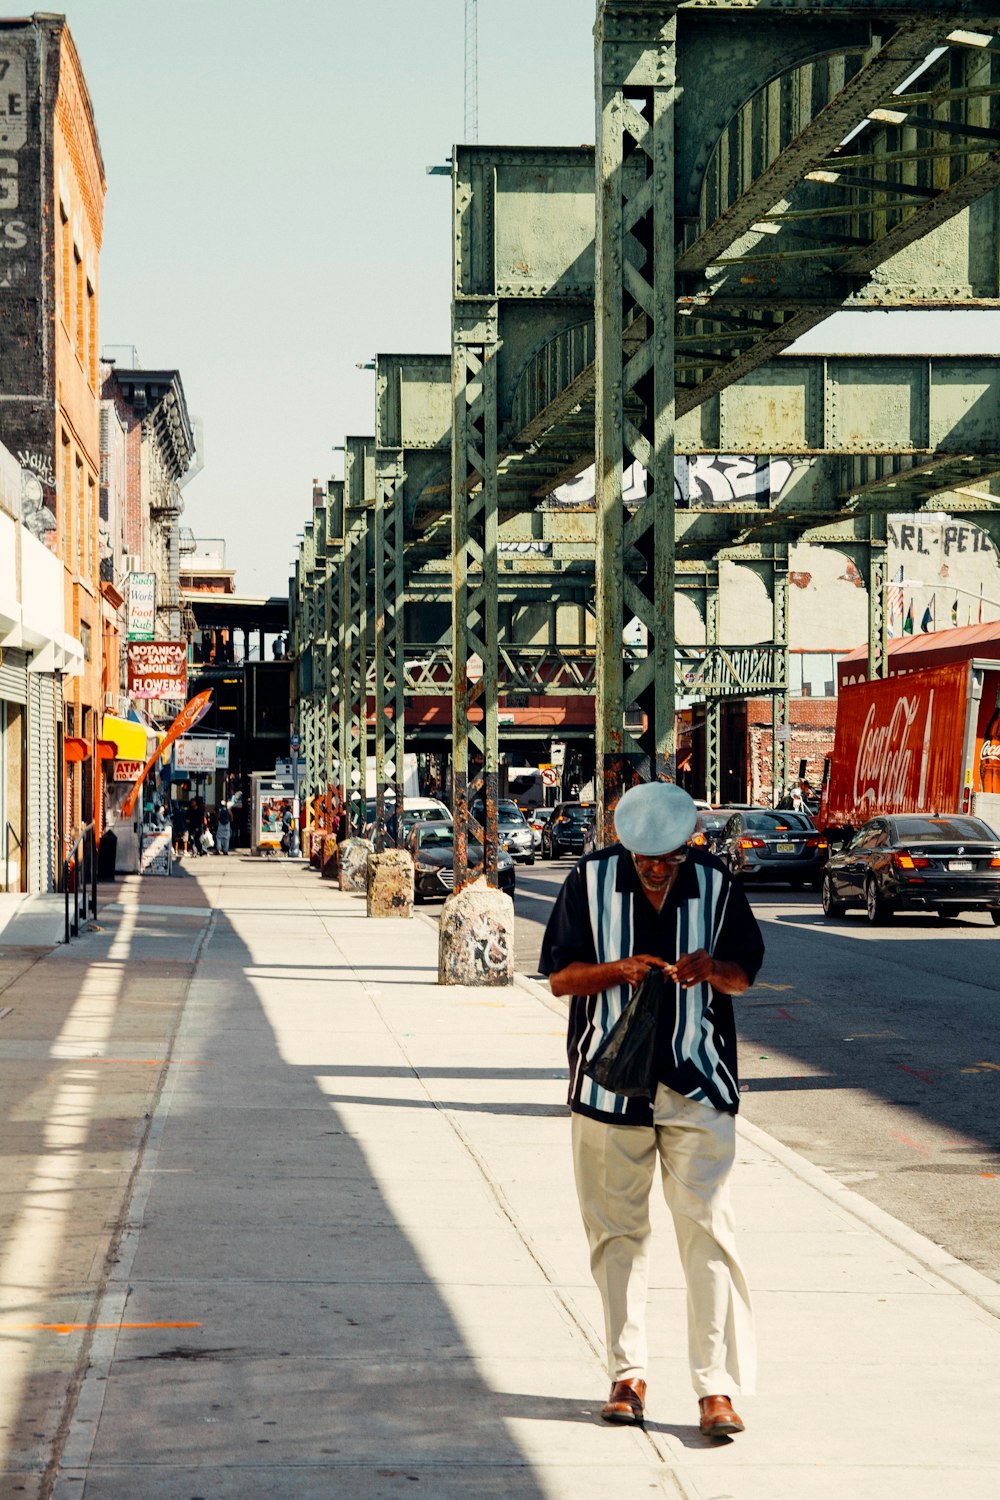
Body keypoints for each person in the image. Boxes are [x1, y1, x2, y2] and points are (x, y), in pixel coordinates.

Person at [539, 780, 764, 1437]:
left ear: (687, 847)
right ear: (627, 849)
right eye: (646, 862)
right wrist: (617, 971)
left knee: (710, 1236)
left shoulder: (717, 883)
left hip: (698, 1084)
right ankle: (626, 1375)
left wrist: (711, 968)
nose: (659, 872)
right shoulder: (588, 881)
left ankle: (715, 1390)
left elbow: (745, 974)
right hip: (608, 1090)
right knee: (617, 1239)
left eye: (669, 860)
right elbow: (558, 977)